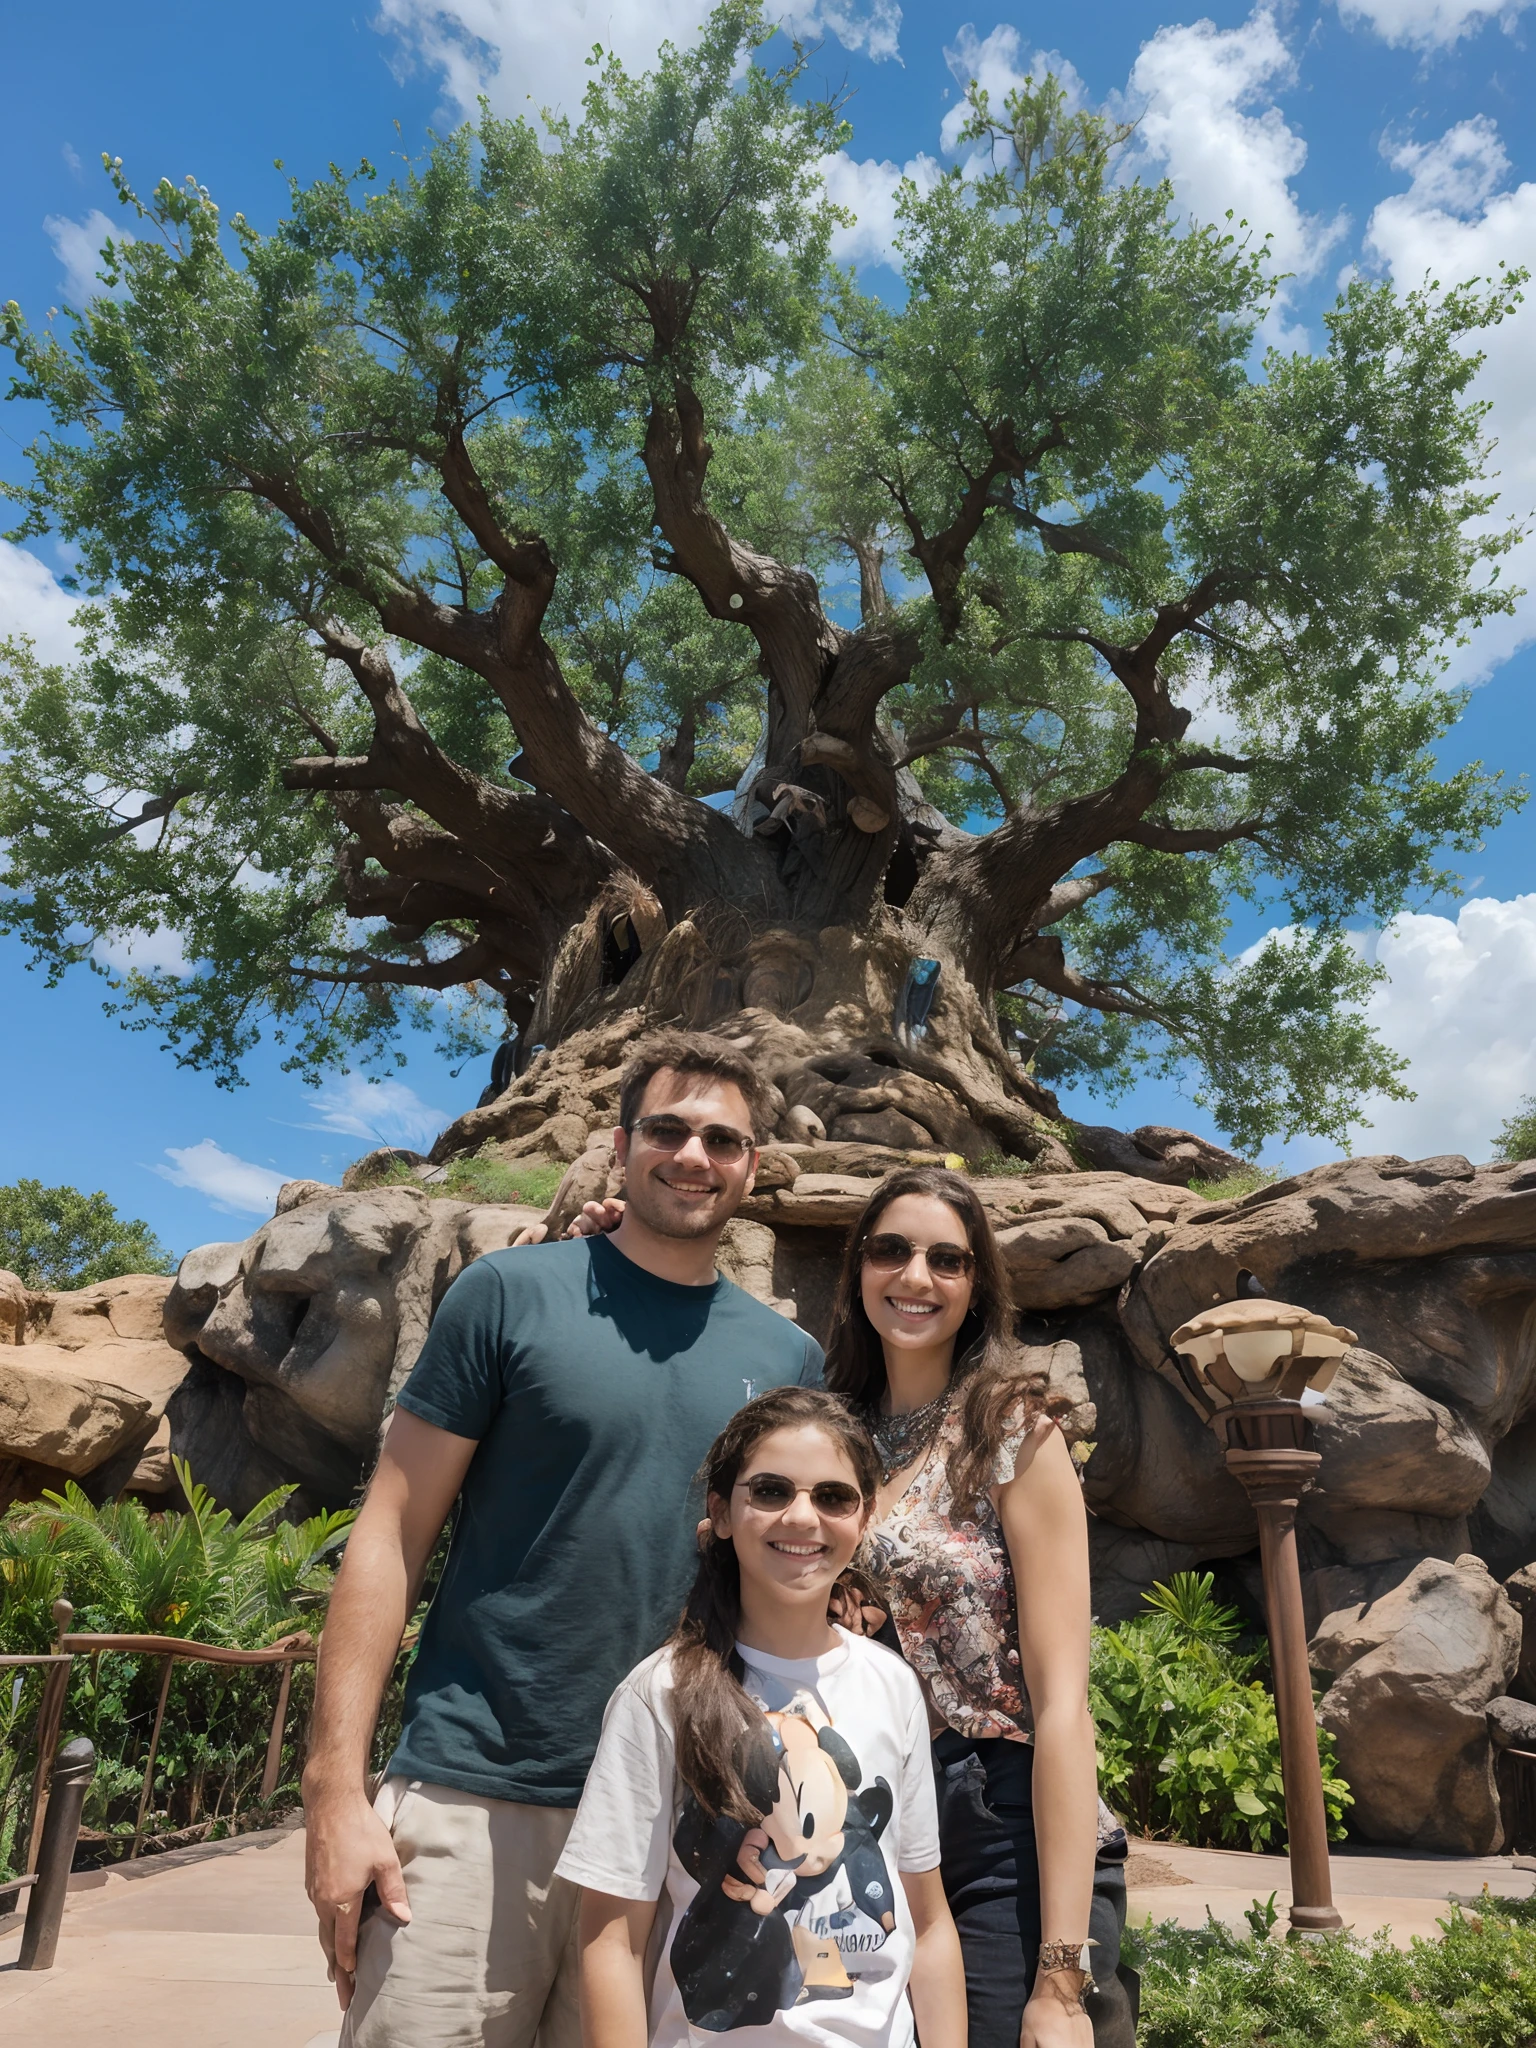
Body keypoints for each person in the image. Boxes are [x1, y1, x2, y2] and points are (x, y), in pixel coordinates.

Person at [303, 1031, 825, 2048]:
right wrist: (334, 1788)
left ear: (753, 1166)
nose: (693, 1155)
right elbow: (392, 1528)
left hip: (678, 1818)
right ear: (620, 1143)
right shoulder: (509, 1295)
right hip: (474, 1797)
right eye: (667, 1129)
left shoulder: (787, 1353)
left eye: (723, 1139)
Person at [823, 1168, 1135, 2048]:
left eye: (946, 1260)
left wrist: (1064, 1979)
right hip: (862, 1806)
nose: (915, 1277)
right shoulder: (831, 1432)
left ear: (975, 1288)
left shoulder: (1013, 1433)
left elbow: (1061, 1703)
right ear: (858, 1270)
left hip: (999, 1816)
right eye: (891, 1250)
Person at [556, 1386, 967, 2048]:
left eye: (833, 1496)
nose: (802, 1516)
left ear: (864, 1520)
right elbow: (611, 1938)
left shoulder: (892, 1684)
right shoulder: (660, 1693)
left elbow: (928, 1917)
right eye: (771, 1491)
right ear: (720, 1511)